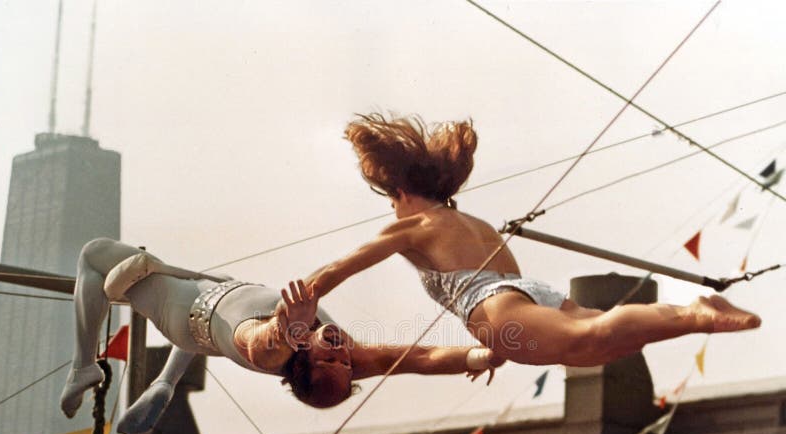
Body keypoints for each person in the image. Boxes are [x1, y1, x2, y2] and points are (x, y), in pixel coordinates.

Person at [303, 113, 761, 368]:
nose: (393, 211)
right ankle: (694, 314)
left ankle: (696, 314)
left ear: (400, 192)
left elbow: (337, 270)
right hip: (536, 296)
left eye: (391, 201)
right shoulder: (474, 224)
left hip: (495, 305)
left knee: (595, 337)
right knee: (605, 345)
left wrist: (295, 309)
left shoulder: (411, 226)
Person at [60, 238, 503, 434]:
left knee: (94, 255)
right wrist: (478, 356)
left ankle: (82, 368)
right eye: (346, 365)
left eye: (329, 361)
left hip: (186, 309)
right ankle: (165, 384)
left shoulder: (274, 353)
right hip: (218, 287)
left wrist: (291, 326)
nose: (342, 355)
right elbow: (419, 358)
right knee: (186, 290)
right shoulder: (346, 351)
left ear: (301, 362)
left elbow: (264, 340)